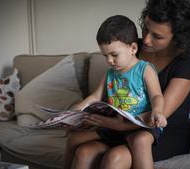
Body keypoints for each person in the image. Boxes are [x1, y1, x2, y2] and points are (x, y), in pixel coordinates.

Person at [63, 15, 168, 169]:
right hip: (115, 125)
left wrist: (158, 111)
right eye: (106, 56)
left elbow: (157, 96)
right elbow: (96, 96)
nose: (109, 61)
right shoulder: (110, 74)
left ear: (133, 48)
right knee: (74, 138)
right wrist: (77, 110)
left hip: (140, 125)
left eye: (114, 55)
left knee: (141, 141)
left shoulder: (144, 69)